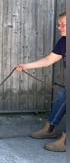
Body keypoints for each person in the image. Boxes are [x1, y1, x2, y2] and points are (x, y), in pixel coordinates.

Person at [16, 12, 66, 152]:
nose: (59, 27)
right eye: (59, 24)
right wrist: (26, 66)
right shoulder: (63, 42)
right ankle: (50, 128)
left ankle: (65, 141)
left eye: (63, 24)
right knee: (63, 94)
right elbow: (48, 60)